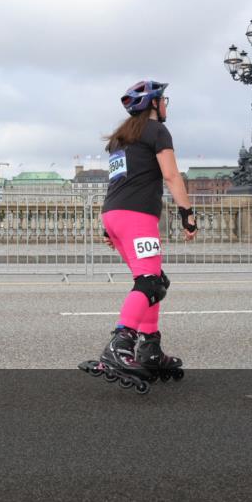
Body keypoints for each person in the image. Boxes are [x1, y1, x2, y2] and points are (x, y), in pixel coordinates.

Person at [82, 80, 197, 392]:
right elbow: (172, 175)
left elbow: (117, 181)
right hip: (137, 217)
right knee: (148, 282)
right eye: (164, 101)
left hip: (114, 215)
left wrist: (108, 226)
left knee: (155, 281)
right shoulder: (157, 131)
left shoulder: (122, 139)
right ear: (155, 104)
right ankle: (120, 346)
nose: (166, 106)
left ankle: (151, 349)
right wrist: (187, 213)